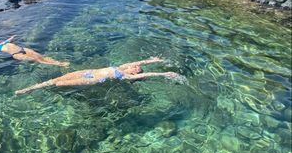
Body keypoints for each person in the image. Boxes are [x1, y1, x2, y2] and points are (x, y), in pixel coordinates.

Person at [15, 57, 182, 94]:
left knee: (58, 85)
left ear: (135, 73)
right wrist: (155, 60)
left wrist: (166, 73)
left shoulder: (127, 77)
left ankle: (36, 91)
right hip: (88, 72)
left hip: (94, 79)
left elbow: (150, 73)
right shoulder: (122, 66)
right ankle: (28, 89)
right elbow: (144, 62)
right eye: (136, 65)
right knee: (55, 80)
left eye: (137, 67)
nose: (135, 65)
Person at [0, 35, 69, 67]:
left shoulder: (4, 42)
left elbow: (10, 39)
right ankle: (60, 65)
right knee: (38, 60)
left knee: (41, 56)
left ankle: (57, 62)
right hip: (16, 54)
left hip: (23, 49)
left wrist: (13, 36)